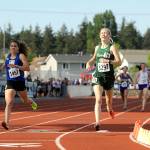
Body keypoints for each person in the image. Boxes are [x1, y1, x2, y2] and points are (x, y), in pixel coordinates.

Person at [86, 28, 121, 131]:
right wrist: (89, 63)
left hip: (109, 77)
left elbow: (119, 62)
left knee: (108, 102)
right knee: (98, 100)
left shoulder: (112, 47)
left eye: (105, 33)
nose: (103, 34)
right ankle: (97, 122)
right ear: (99, 35)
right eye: (101, 33)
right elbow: (93, 59)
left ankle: (110, 109)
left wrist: (108, 61)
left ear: (109, 36)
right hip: (98, 76)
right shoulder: (97, 48)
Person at [1, 39, 38, 130]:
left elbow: (27, 68)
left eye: (15, 46)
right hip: (10, 83)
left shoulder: (21, 56)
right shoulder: (7, 57)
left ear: (18, 48)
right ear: (9, 48)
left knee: (25, 100)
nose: (13, 47)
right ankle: (6, 123)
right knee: (9, 102)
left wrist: (17, 66)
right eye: (11, 46)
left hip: (20, 82)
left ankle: (32, 102)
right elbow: (3, 67)